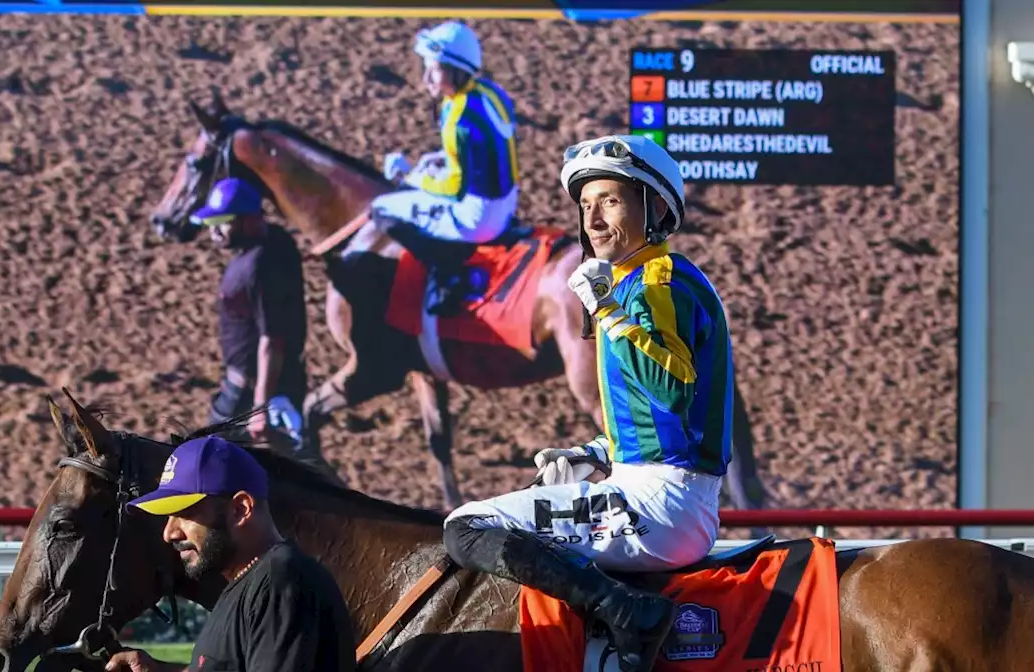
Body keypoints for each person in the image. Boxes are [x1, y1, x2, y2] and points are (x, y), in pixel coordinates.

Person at [440, 135, 734, 672]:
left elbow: (672, 393)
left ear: (656, 208)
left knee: (466, 528)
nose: (594, 220)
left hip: (662, 507)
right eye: (585, 205)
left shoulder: (655, 283)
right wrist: (593, 454)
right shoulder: (638, 284)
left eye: (611, 201)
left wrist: (607, 313)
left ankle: (628, 614)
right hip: (658, 493)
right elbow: (660, 417)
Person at [105, 435, 357, 672]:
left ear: (240, 509)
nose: (169, 533)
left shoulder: (280, 581)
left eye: (184, 513)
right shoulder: (249, 584)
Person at [370, 20, 522, 315]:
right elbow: (490, 146)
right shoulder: (491, 92)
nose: (426, 78)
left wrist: (413, 178)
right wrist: (444, 158)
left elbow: (455, 189)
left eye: (435, 69)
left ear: (455, 69)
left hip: (478, 218)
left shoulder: (457, 118)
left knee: (381, 209)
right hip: (508, 202)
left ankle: (445, 273)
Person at [189, 178, 333, 476]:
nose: (213, 231)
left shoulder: (259, 266)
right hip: (259, 387)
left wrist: (260, 408)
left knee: (208, 464)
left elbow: (272, 340)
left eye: (222, 222)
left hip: (255, 393)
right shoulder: (275, 241)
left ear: (249, 220)